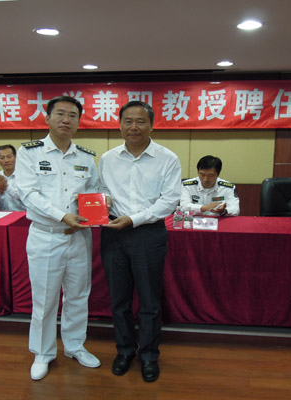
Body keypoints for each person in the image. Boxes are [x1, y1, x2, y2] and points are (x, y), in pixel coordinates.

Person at [15, 96, 101, 381]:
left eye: (73, 115)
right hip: (46, 236)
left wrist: (102, 205)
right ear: (47, 118)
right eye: (60, 114)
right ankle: (43, 352)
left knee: (78, 295)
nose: (66, 120)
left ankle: (75, 346)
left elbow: (95, 191)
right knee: (45, 299)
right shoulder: (29, 152)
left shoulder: (85, 157)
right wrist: (63, 216)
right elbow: (28, 194)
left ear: (79, 121)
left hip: (79, 236)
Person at [99, 101, 182, 383]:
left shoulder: (167, 158)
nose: (133, 127)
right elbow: (102, 191)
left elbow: (169, 201)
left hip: (148, 234)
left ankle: (148, 355)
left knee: (149, 300)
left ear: (152, 125)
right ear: (120, 124)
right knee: (119, 299)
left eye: (140, 121)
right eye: (128, 121)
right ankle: (124, 351)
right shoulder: (108, 158)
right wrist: (103, 201)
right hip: (113, 233)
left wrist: (133, 220)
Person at [0, 144, 26, 211]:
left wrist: (7, 187)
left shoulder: (26, 175)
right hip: (4, 215)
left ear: (16, 157)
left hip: (25, 215)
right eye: (2, 158)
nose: (6, 160)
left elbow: (28, 199)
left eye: (9, 157)